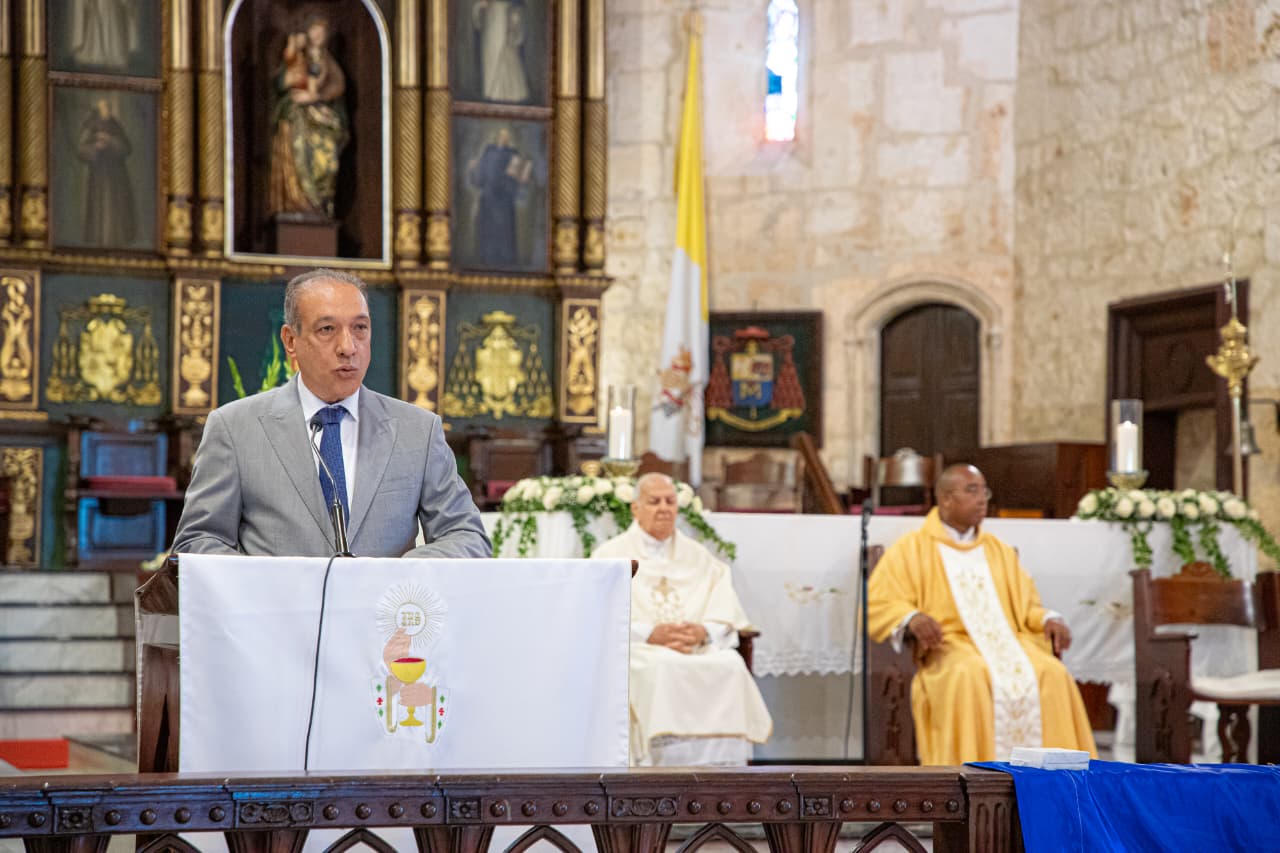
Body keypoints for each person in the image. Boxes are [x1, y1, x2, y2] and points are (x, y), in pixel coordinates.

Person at [172, 268, 490, 559]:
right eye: (327, 329)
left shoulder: (417, 430)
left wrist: (402, 574)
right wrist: (266, 585)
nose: (348, 347)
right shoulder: (234, 428)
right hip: (277, 617)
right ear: (290, 341)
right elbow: (197, 541)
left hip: (383, 617)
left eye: (360, 328)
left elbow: (467, 536)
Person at [868, 463, 1097, 765]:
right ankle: (968, 785)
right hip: (949, 646)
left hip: (1011, 644)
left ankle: (1063, 784)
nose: (982, 499)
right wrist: (912, 618)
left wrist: (1047, 618)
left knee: (1053, 674)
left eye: (984, 491)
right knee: (969, 675)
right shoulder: (912, 549)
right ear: (946, 498)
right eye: (972, 490)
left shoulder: (998, 550)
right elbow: (881, 601)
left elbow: (1027, 605)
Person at [592, 473, 772, 765]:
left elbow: (725, 609)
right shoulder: (610, 555)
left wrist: (703, 631)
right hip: (642, 649)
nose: (664, 508)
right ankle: (661, 765)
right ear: (635, 509)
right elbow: (600, 617)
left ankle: (726, 766)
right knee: (661, 666)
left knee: (730, 664)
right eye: (654, 501)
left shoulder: (699, 556)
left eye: (670, 501)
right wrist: (649, 634)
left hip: (695, 648)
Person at [268, 15, 349, 219]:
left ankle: (319, 204)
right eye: (314, 30)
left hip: (321, 120)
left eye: (321, 32)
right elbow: (281, 82)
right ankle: (297, 201)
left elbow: (338, 86)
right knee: (297, 152)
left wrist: (317, 96)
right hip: (296, 117)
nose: (317, 35)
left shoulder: (329, 62)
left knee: (326, 160)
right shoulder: (296, 57)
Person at [466, 126, 532, 267]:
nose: (504, 138)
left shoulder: (514, 154)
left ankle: (506, 261)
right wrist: (473, 170)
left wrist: (523, 178)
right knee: (489, 233)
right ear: (497, 137)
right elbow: (479, 180)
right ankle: (487, 260)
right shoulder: (488, 153)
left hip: (505, 201)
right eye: (502, 136)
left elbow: (519, 179)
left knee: (504, 234)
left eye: (506, 136)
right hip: (489, 200)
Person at [76, 97, 136, 247]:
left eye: (107, 107)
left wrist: (110, 141)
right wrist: (96, 147)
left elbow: (126, 148)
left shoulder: (114, 125)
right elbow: (81, 149)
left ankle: (117, 239)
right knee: (98, 208)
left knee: (115, 208)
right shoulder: (90, 125)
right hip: (97, 175)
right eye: (103, 107)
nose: (106, 110)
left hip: (116, 175)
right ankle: (97, 240)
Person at [471, 0, 530, 102]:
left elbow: (519, 5)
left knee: (508, 54)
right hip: (492, 20)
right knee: (493, 56)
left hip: (507, 16)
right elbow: (480, 8)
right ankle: (492, 92)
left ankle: (509, 94)